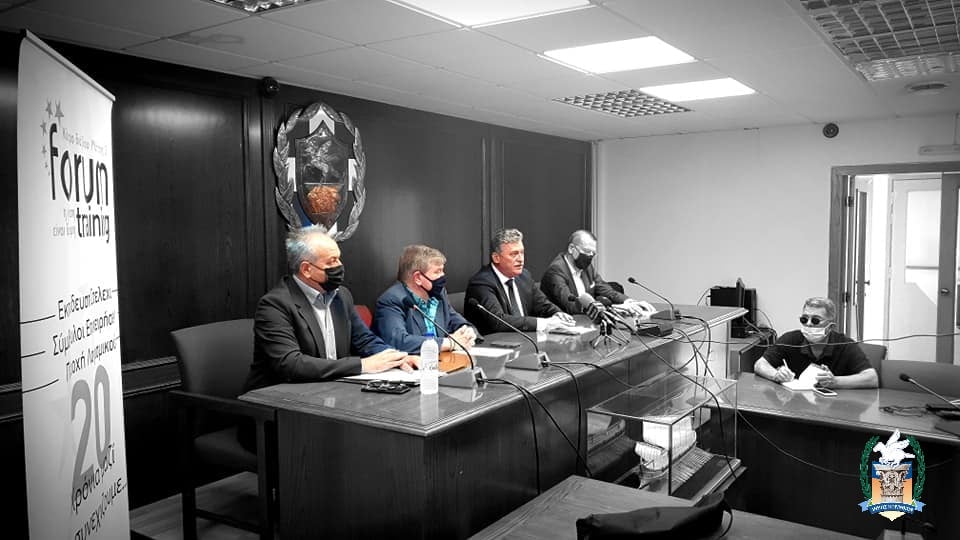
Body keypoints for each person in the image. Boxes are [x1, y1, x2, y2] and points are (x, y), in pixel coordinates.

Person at [243, 226, 417, 394]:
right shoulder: (275, 304)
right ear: (306, 269)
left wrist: (397, 358)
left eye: (339, 258)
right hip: (277, 399)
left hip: (331, 391)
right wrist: (363, 365)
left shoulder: (341, 295)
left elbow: (364, 340)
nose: (340, 266)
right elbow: (290, 364)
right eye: (331, 261)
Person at [464, 228, 574, 335]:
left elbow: (543, 305)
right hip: (496, 343)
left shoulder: (524, 276)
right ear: (496, 258)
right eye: (514, 254)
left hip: (526, 340)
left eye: (522, 253)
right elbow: (498, 321)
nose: (520, 259)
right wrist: (543, 323)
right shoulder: (481, 283)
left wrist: (557, 313)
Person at [373, 244, 478, 354]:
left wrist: (468, 332)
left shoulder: (439, 294)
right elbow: (399, 342)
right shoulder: (392, 300)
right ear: (418, 278)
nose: (443, 276)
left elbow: (456, 321)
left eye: (442, 270)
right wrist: (450, 343)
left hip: (443, 360)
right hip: (413, 362)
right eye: (437, 271)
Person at [753, 297, 877, 389]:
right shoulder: (790, 339)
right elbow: (760, 364)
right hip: (795, 405)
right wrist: (776, 375)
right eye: (804, 319)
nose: (808, 324)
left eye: (815, 320)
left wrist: (835, 381)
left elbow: (872, 378)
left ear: (830, 326)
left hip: (833, 408)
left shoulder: (845, 345)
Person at [540, 229, 656, 318]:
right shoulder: (556, 270)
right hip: (559, 329)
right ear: (571, 249)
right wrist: (613, 309)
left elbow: (605, 289)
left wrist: (630, 302)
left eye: (593, 254)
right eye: (587, 251)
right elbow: (570, 306)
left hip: (586, 323)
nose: (589, 257)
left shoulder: (586, 267)